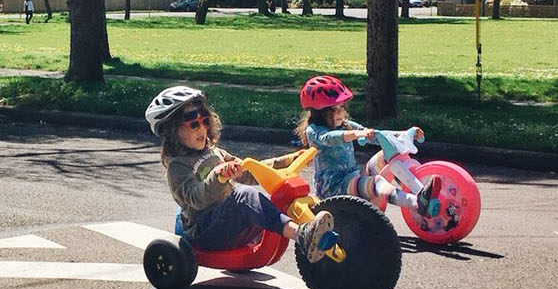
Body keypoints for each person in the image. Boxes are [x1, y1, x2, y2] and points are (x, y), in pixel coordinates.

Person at [148, 85, 337, 260]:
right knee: (244, 196)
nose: (203, 129)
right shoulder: (178, 167)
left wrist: (289, 159)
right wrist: (219, 175)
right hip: (205, 231)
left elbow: (250, 170)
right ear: (173, 131)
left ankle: (314, 230)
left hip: (227, 224)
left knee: (267, 199)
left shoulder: (214, 151)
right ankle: (302, 234)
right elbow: (196, 199)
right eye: (193, 124)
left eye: (205, 121)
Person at [295, 75, 442, 215]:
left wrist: (402, 134)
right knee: (375, 182)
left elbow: (375, 134)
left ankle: (420, 190)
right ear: (320, 112)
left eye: (342, 107)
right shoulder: (314, 131)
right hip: (333, 188)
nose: (341, 113)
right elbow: (330, 138)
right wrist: (356, 134)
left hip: (352, 176)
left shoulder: (345, 125)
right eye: (335, 110)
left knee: (387, 155)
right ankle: (416, 203)